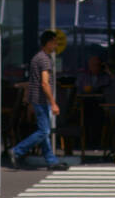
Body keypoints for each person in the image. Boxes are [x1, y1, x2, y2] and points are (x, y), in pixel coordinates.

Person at [5, 31, 68, 171]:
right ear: (48, 42)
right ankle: (16, 151)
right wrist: (53, 103)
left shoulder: (37, 57)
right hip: (41, 100)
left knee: (43, 131)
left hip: (37, 99)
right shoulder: (44, 59)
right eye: (54, 42)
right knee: (44, 131)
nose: (56, 45)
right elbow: (45, 83)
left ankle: (51, 160)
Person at [76, 55, 115, 151]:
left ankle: (98, 141)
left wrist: (108, 72)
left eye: (97, 65)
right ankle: (86, 141)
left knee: (99, 115)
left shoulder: (105, 76)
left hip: (101, 105)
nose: (94, 67)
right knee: (87, 113)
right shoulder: (83, 76)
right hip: (86, 104)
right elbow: (78, 90)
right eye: (92, 65)